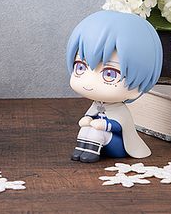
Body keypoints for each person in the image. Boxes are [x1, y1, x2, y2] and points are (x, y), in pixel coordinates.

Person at [65, 10, 162, 163]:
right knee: (85, 130)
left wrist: (103, 125)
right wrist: (88, 119)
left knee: (97, 133)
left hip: (118, 146)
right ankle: (80, 151)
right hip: (103, 141)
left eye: (110, 74)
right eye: (80, 67)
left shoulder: (120, 110)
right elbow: (91, 116)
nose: (89, 82)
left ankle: (90, 153)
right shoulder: (97, 105)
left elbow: (119, 125)